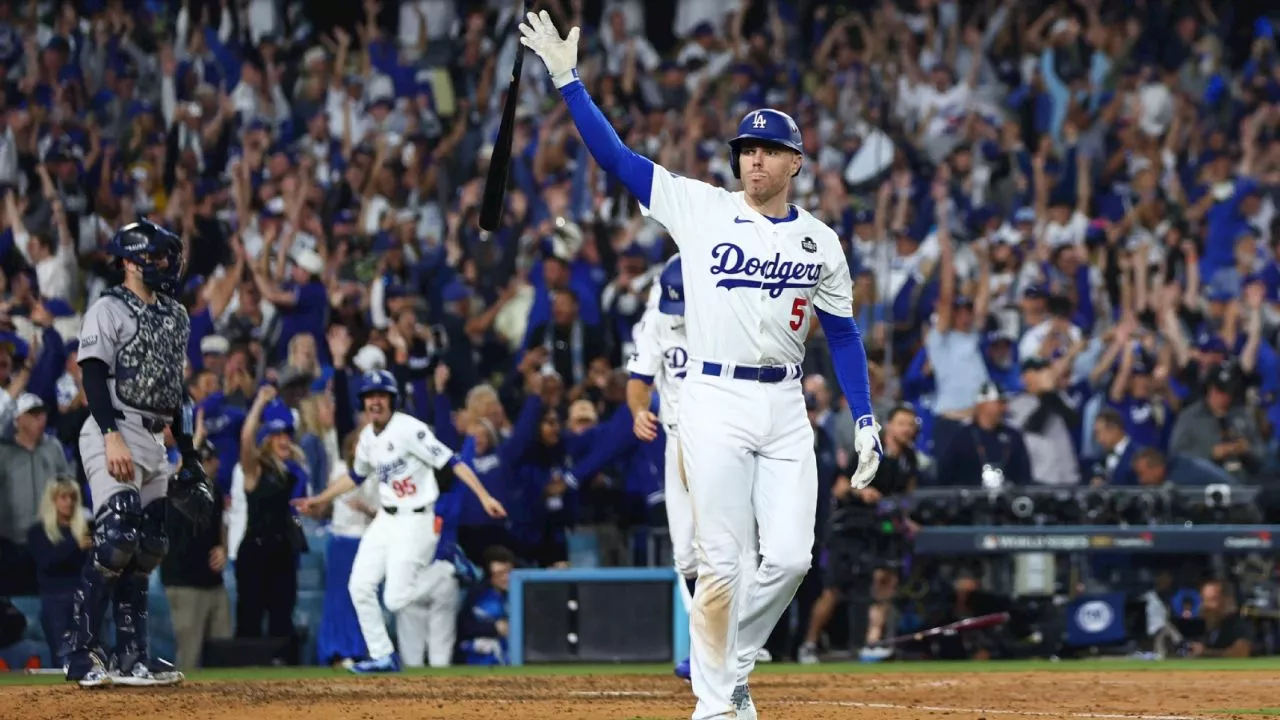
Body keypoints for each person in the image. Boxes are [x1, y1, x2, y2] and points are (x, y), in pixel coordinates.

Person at [518, 13, 882, 719]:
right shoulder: (702, 208)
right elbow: (616, 159)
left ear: (795, 163)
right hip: (711, 397)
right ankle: (717, 707)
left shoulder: (820, 242)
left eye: (770, 151)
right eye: (747, 149)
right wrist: (568, 81)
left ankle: (731, 664)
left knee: (792, 560)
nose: (754, 161)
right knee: (722, 565)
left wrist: (864, 416)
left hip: (783, 406)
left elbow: (842, 336)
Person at [62, 220, 212, 688]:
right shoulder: (108, 308)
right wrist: (109, 434)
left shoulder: (176, 315)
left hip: (154, 435)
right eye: (156, 255)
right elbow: (92, 374)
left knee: (149, 547)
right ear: (129, 261)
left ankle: (133, 656)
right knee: (116, 538)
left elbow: (177, 392)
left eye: (168, 255)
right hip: (115, 426)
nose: (165, 263)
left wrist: (189, 456)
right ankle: (79, 651)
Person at [292, 370, 508, 674]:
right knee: (359, 586)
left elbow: (452, 462)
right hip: (386, 519)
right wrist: (321, 499)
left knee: (394, 599)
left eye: (381, 395)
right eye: (370, 396)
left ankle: (447, 565)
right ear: (364, 403)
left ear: (391, 400)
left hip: (416, 519)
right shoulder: (367, 438)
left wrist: (484, 497)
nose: (376, 401)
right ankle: (382, 655)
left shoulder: (409, 429)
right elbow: (355, 476)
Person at [798, 404, 921, 665]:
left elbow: (908, 495)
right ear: (889, 425)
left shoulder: (909, 458)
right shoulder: (869, 451)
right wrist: (860, 491)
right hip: (852, 526)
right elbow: (840, 488)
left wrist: (907, 520)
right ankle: (808, 643)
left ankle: (872, 641)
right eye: (901, 423)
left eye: (911, 425)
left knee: (886, 579)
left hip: (882, 528)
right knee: (834, 589)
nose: (907, 429)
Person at [234, 386, 308, 649]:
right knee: (250, 618)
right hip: (255, 551)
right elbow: (245, 439)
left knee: (282, 619)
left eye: (286, 434)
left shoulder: (296, 472)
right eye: (277, 435)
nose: (284, 440)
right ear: (268, 440)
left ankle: (283, 679)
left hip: (284, 551)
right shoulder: (256, 468)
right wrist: (259, 402)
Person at [160, 440, 231, 671]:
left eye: (212, 459)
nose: (214, 464)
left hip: (213, 583)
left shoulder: (216, 491)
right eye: (207, 460)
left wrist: (224, 548)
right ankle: (185, 707)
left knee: (223, 651)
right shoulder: (175, 492)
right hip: (184, 584)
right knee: (189, 655)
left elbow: (221, 527)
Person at [316, 428, 378, 668]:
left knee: (362, 597)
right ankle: (337, 651)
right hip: (341, 541)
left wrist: (365, 509)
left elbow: (382, 512)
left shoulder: (376, 475)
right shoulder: (340, 470)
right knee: (339, 598)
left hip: (366, 541)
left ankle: (363, 649)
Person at [26, 478, 91, 668]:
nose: (68, 502)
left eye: (72, 497)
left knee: (89, 652)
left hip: (85, 596)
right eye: (63, 497)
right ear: (52, 500)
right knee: (62, 653)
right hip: (55, 598)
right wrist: (75, 545)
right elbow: (47, 562)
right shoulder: (38, 532)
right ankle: (61, 696)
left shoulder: (85, 529)